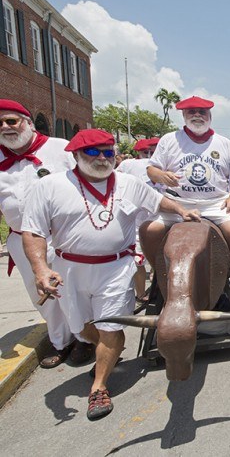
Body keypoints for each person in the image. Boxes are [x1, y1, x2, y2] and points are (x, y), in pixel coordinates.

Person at [21, 128, 199, 420]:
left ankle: (99, 386)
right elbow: (33, 232)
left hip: (116, 268)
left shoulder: (129, 182)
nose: (102, 158)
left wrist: (182, 210)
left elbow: (157, 202)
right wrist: (41, 269)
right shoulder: (50, 186)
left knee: (111, 327)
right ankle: (106, 346)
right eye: (93, 152)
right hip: (69, 269)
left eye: (107, 151)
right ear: (76, 155)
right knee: (80, 328)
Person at [0, 99, 91, 368]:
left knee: (75, 290)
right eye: (0, 123)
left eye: (11, 121)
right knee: (42, 294)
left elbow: (87, 183)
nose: (5, 127)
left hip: (63, 235)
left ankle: (85, 339)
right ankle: (61, 341)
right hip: (21, 238)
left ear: (27, 122)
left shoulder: (60, 148)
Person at [141, 96, 230, 291]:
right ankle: (158, 270)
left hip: (216, 203)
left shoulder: (224, 143)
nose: (197, 115)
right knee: (149, 231)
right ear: (183, 115)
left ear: (210, 116)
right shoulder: (169, 139)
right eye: (192, 111)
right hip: (177, 202)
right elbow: (151, 170)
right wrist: (163, 176)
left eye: (202, 112)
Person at [116, 137, 160, 305]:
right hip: (138, 221)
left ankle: (150, 290)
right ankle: (142, 293)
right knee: (140, 260)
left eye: (153, 151)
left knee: (155, 258)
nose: (149, 154)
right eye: (146, 152)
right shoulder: (129, 166)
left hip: (159, 219)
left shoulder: (167, 164)